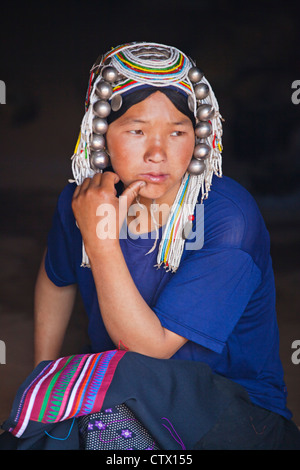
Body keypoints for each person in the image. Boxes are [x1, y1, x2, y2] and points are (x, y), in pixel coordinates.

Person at [1, 42, 300, 450]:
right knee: (39, 432)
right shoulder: (83, 200)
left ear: (200, 138)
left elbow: (149, 349)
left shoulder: (229, 219)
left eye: (177, 132)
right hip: (124, 389)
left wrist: (102, 239)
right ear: (101, 135)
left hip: (236, 413)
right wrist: (44, 374)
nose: (158, 152)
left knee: (108, 430)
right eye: (137, 130)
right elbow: (57, 280)